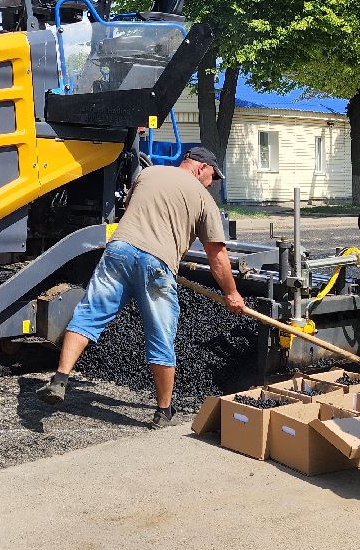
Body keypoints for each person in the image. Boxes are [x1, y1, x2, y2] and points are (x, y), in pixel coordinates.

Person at [36, 146, 246, 429]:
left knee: (88, 315)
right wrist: (231, 293)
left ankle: (60, 378)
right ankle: (163, 412)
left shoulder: (147, 174)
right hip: (156, 264)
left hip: (119, 250)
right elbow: (216, 255)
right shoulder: (203, 198)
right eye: (212, 176)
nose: (212, 183)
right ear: (200, 168)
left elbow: (134, 212)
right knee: (160, 335)